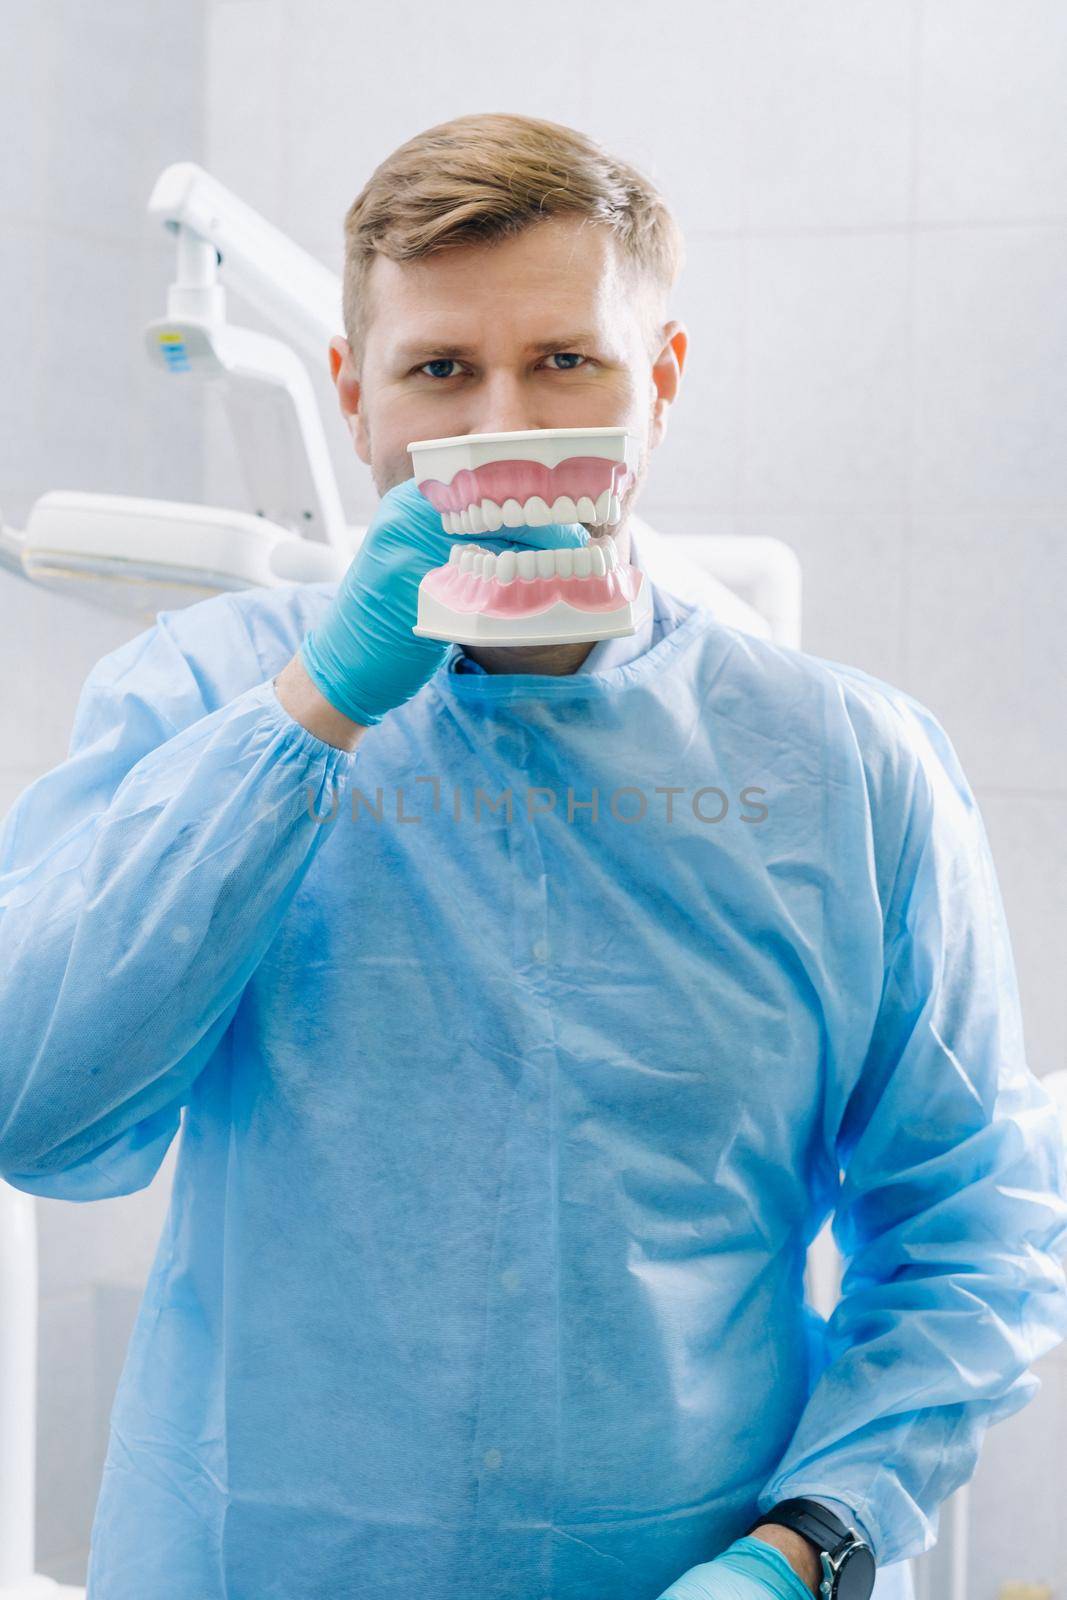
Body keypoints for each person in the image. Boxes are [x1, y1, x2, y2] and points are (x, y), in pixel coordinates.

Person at [1, 112, 1065, 1600]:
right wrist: (309, 716)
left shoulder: (850, 772)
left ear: (663, 385)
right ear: (356, 400)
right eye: (442, 371)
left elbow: (972, 1226)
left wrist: (809, 1547)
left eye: (568, 361)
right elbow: (37, 1110)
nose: (508, 423)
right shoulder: (196, 696)